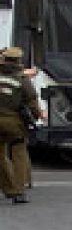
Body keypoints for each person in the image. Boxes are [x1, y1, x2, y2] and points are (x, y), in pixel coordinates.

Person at [0, 47, 43, 204]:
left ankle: (7, 188)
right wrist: (40, 115)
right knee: (19, 154)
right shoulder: (22, 80)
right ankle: (18, 191)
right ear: (18, 61)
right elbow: (31, 101)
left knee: (1, 157)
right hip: (14, 124)